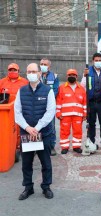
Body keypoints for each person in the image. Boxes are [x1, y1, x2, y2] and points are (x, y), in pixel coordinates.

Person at [14, 63, 56, 200]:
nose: (31, 73)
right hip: (27, 134)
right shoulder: (21, 91)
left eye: (34, 71)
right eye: (29, 71)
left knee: (46, 162)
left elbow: (50, 112)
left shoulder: (47, 91)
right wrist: (27, 128)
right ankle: (28, 187)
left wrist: (37, 128)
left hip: (43, 133)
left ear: (39, 73)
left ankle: (46, 187)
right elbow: (17, 113)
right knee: (26, 163)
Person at [81, 53, 101, 150]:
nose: (98, 62)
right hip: (91, 102)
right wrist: (84, 76)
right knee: (91, 123)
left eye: (99, 60)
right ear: (93, 61)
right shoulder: (88, 71)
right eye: (96, 60)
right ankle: (92, 142)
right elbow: (82, 86)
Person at [56, 69, 87, 154]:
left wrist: (85, 113)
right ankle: (64, 147)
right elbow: (58, 101)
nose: (71, 76)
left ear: (76, 77)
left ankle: (76, 146)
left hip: (78, 114)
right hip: (65, 115)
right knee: (64, 131)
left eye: (73, 75)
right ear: (67, 76)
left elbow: (84, 103)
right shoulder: (61, 88)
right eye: (70, 75)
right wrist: (58, 113)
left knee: (78, 131)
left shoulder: (81, 89)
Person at [40, 58, 59, 156]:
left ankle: (51, 146)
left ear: (49, 66)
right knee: (37, 125)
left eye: (45, 64)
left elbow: (55, 90)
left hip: (49, 105)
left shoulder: (54, 76)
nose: (43, 65)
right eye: (41, 64)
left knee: (51, 126)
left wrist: (46, 98)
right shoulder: (36, 75)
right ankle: (37, 146)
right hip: (38, 105)